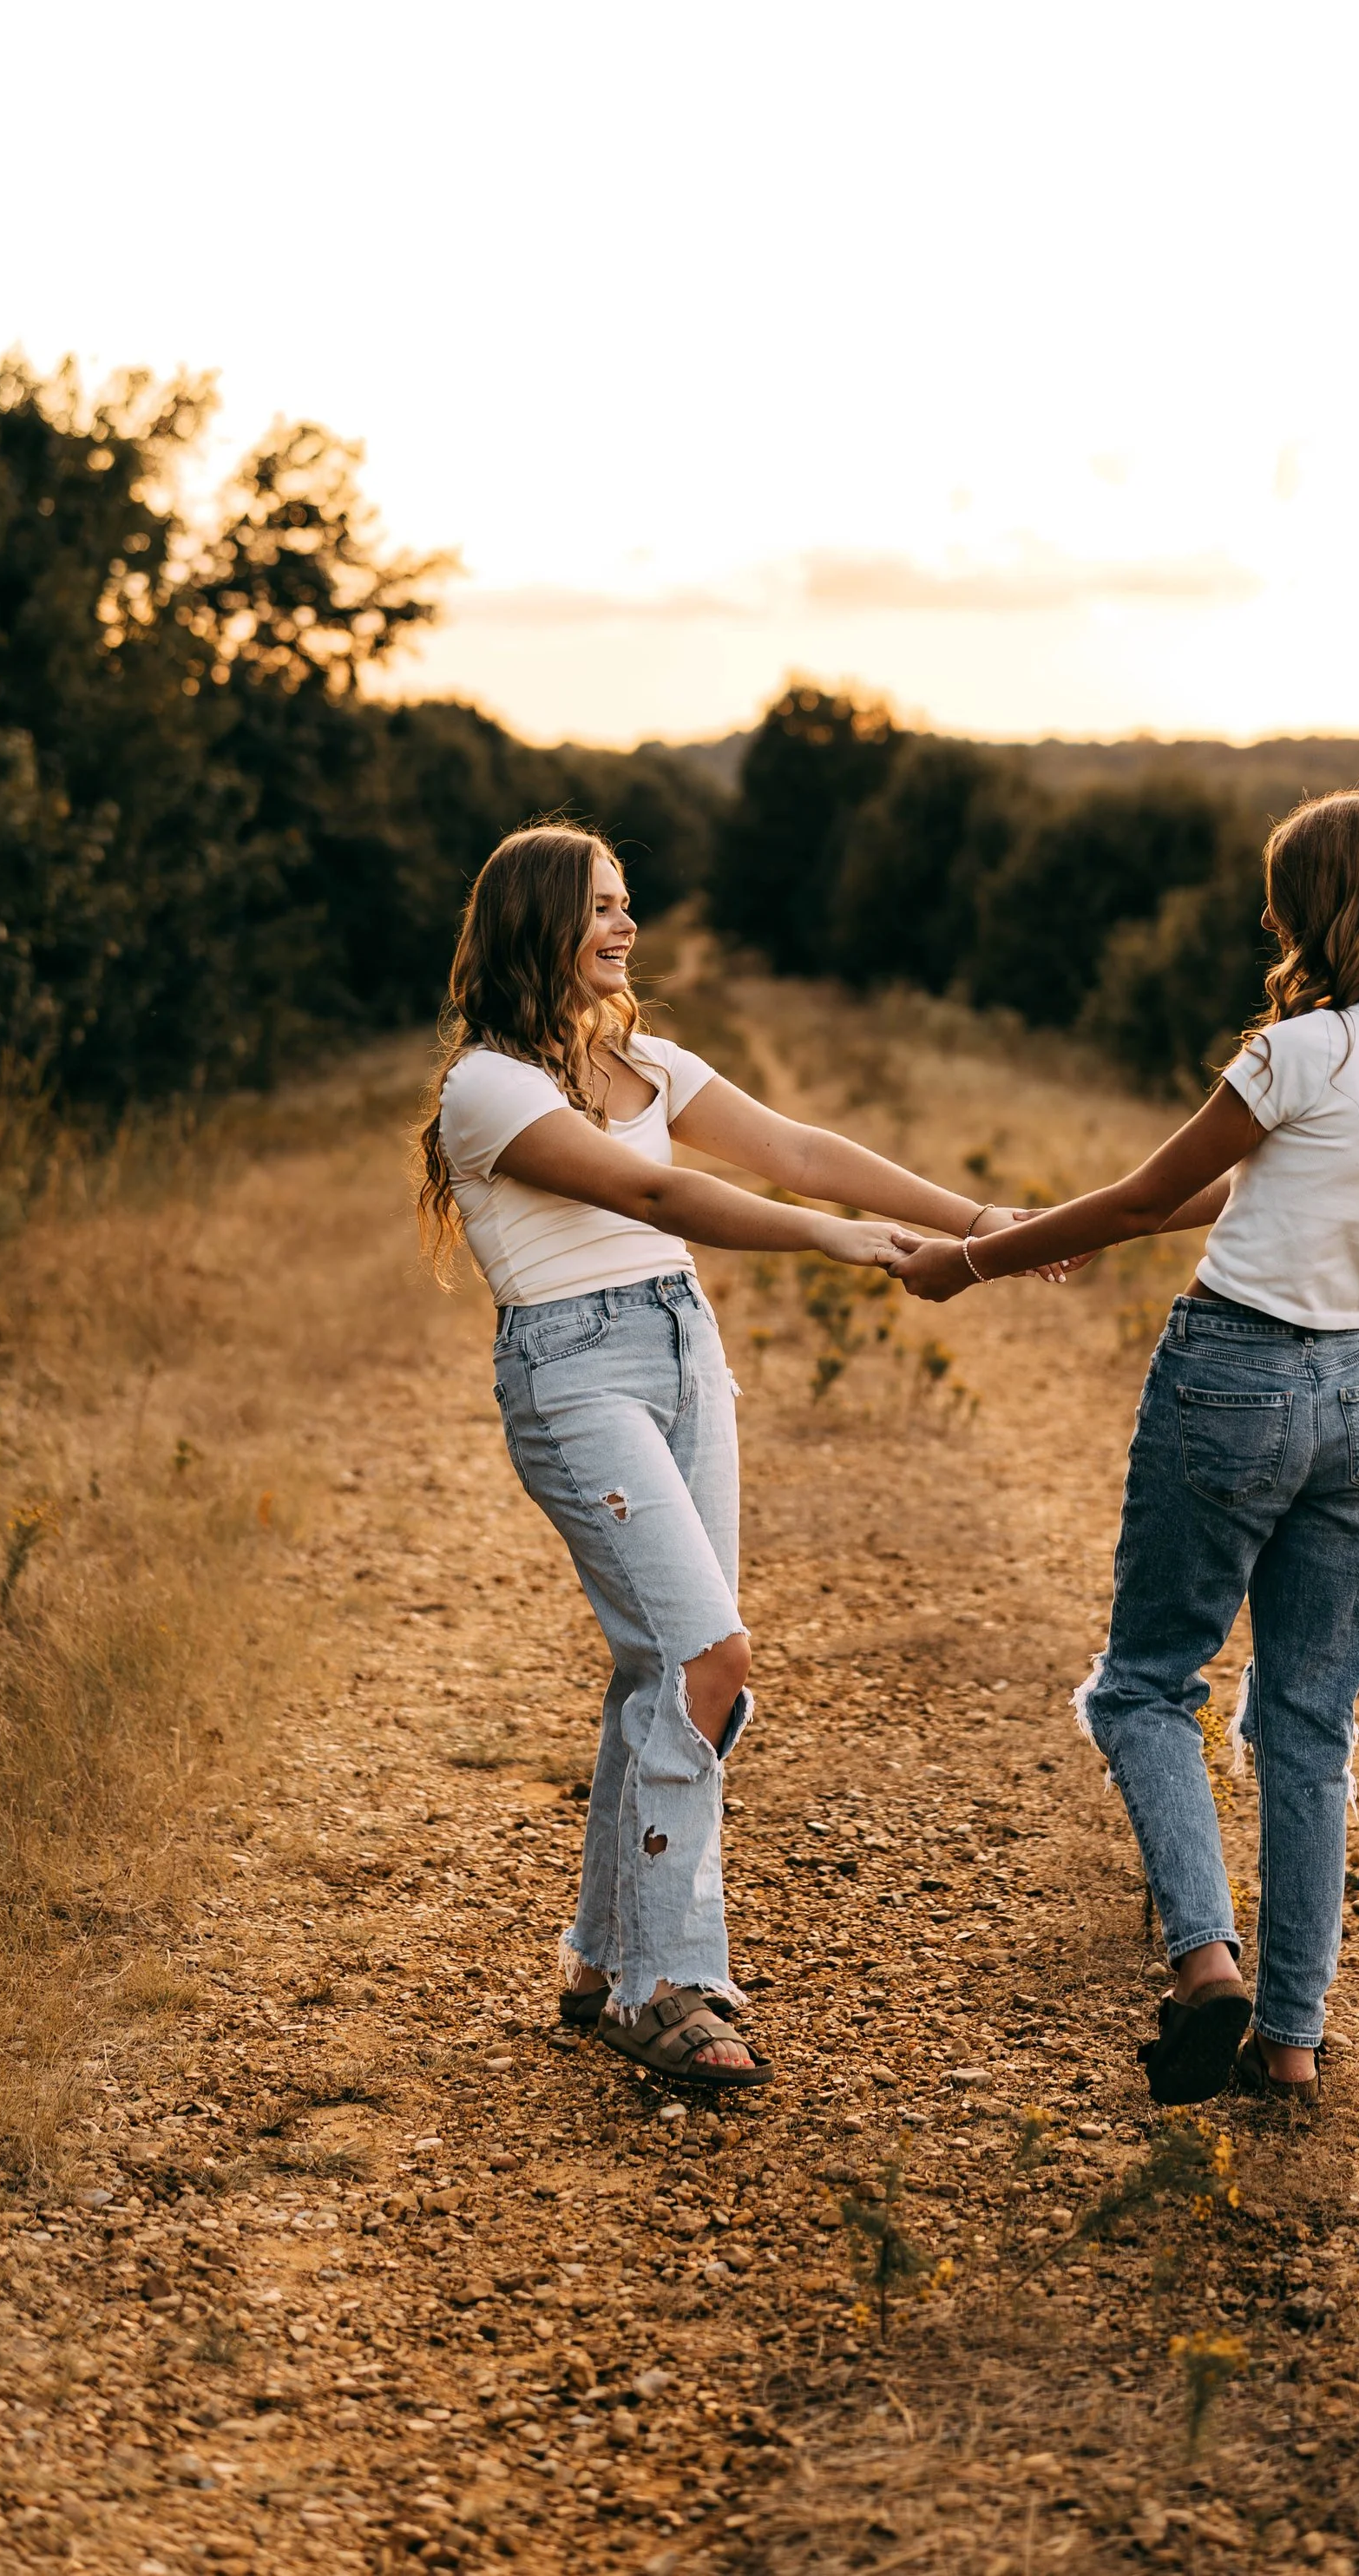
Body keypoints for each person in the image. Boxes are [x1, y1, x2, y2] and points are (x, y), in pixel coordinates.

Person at [900, 791, 1359, 2106]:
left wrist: (967, 1259)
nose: (1267, 917)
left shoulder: (1297, 1049)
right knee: (1308, 1727)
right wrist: (1070, 1234)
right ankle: (1289, 2043)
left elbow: (1140, 1191)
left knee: (1140, 1688)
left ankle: (1205, 1964)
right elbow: (1208, 1194)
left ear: (1331, 907)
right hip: (1351, 1400)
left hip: (1232, 1372)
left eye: (1283, 895)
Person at [417, 821, 1033, 2092]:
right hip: (573, 1370)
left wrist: (973, 1219)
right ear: (539, 921)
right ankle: (667, 1981)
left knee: (665, 1665)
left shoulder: (638, 1058)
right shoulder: (487, 1087)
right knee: (711, 1662)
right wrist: (831, 1241)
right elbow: (647, 1198)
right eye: (600, 905)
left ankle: (601, 1957)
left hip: (684, 1352)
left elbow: (800, 1145)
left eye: (627, 902)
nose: (625, 925)